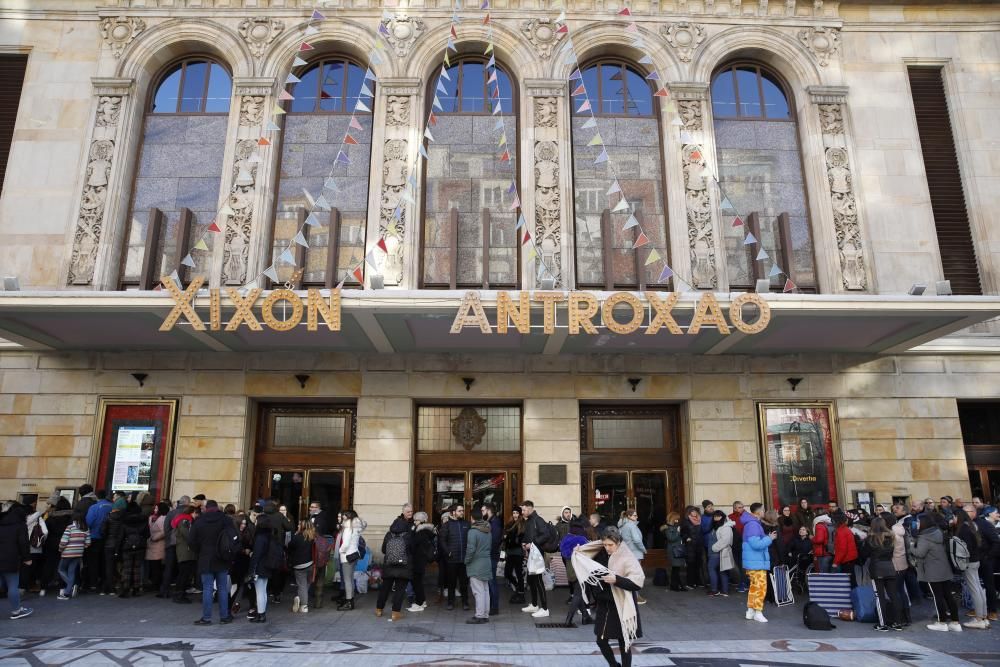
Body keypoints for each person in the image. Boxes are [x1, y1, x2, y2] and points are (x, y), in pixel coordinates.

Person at [571, 528, 644, 667]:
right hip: (604, 603)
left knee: (624, 642)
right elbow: (585, 558)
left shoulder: (627, 557)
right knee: (601, 640)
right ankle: (614, 665)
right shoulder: (600, 551)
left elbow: (637, 582)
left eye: (610, 545)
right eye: (605, 544)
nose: (607, 548)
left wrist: (617, 579)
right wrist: (578, 550)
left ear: (618, 542)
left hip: (621, 605)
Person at [188, 499, 235, 625]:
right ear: (217, 508)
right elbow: (234, 537)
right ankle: (224, 616)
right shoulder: (226, 520)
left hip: (206, 558)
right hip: (222, 557)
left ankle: (206, 618)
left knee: (208, 588)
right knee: (223, 588)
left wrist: (200, 551)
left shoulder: (199, 521)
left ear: (206, 508)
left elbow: (191, 541)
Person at [911, 514, 961, 631]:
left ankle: (942, 622)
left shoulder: (924, 537)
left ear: (923, 523)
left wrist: (911, 546)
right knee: (948, 595)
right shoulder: (937, 532)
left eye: (918, 522)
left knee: (937, 596)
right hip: (944, 568)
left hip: (932, 571)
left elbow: (919, 553)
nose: (917, 524)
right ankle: (955, 622)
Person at [861, 517, 903, 631]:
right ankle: (898, 622)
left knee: (880, 597)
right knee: (893, 595)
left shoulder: (871, 539)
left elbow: (864, 554)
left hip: (876, 568)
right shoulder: (891, 537)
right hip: (890, 566)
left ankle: (883, 623)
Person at [955, 505, 990, 629]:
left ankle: (979, 618)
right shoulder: (972, 526)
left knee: (975, 589)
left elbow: (966, 547)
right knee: (979, 588)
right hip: (976, 560)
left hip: (969, 562)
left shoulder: (963, 528)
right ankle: (983, 617)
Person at [249, 502, 282, 623]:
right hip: (268, 566)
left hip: (260, 566)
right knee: (263, 591)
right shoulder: (271, 535)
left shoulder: (260, 537)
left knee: (259, 591)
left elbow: (256, 555)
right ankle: (262, 613)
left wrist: (251, 569)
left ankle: (261, 614)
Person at [741, 502, 774, 623]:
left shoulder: (751, 524)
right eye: (763, 509)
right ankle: (758, 612)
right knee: (760, 587)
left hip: (753, 561)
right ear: (759, 511)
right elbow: (756, 544)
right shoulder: (753, 524)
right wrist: (769, 538)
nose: (764, 512)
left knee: (754, 587)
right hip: (756, 561)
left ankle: (750, 611)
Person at [377, 511, 413, 621]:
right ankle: (395, 613)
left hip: (389, 566)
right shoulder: (408, 535)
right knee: (400, 590)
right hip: (403, 567)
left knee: (385, 589)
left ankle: (379, 609)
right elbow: (412, 551)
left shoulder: (388, 535)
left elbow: (383, 550)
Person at [1, 501, 33, 619]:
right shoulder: (20, 525)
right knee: (12, 585)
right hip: (10, 558)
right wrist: (27, 558)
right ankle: (16, 610)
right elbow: (23, 543)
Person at [520, 500, 550, 617]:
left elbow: (545, 535)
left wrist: (531, 544)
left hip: (537, 555)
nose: (522, 512)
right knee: (532, 580)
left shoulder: (538, 520)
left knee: (538, 580)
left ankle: (545, 608)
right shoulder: (530, 521)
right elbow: (528, 536)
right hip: (531, 554)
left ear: (530, 508)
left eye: (523, 509)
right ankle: (534, 604)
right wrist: (524, 544)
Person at [160, 495, 191, 599]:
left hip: (171, 544)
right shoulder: (188, 514)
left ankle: (164, 590)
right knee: (182, 569)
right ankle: (180, 591)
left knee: (168, 568)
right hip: (183, 545)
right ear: (187, 503)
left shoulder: (171, 513)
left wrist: (169, 539)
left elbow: (166, 528)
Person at [41, 497, 72, 596]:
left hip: (51, 544)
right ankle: (62, 588)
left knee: (48, 565)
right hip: (65, 544)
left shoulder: (51, 517)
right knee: (63, 567)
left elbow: (45, 531)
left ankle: (43, 588)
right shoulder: (70, 518)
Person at [465, 511, 493, 624]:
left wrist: (466, 561)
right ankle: (485, 614)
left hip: (476, 563)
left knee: (478, 591)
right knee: (485, 589)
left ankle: (479, 615)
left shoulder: (473, 532)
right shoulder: (488, 530)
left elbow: (471, 549)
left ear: (472, 519)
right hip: (486, 561)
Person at [441, 504, 470, 611]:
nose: (462, 512)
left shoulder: (467, 524)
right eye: (459, 511)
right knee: (451, 583)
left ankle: (465, 602)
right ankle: (450, 602)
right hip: (452, 559)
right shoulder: (446, 525)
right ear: (453, 512)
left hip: (464, 559)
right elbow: (442, 541)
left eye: (462, 511)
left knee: (464, 583)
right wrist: (448, 552)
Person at [118, 501, 149, 598]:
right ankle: (136, 589)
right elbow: (148, 534)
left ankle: (125, 589)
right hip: (140, 546)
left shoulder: (124, 520)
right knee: (137, 568)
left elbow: (120, 536)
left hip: (127, 546)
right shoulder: (143, 520)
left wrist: (117, 548)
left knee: (127, 568)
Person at [56, 511, 90, 600]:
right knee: (71, 572)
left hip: (67, 553)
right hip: (78, 553)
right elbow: (88, 543)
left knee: (61, 569)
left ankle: (70, 586)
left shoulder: (70, 527)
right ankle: (67, 593)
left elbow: (63, 541)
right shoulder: (86, 529)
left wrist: (60, 549)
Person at [84, 490, 112, 593]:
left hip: (94, 537)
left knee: (93, 561)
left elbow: (89, 522)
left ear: (96, 497)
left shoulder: (94, 507)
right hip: (108, 538)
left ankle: (93, 583)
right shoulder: (112, 506)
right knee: (105, 561)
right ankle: (104, 581)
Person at [336, 509, 365, 611]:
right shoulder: (356, 527)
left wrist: (340, 550)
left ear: (348, 517)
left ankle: (349, 602)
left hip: (347, 555)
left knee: (347, 580)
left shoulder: (348, 527)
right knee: (350, 578)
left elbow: (346, 543)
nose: (343, 517)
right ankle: (350, 600)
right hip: (354, 555)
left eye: (344, 515)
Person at [974, 505, 999, 622]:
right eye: (996, 512)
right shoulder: (982, 524)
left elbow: (996, 542)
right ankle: (983, 609)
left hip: (987, 559)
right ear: (989, 514)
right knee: (982, 585)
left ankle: (992, 610)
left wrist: (989, 555)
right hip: (982, 559)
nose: (998, 514)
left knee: (989, 585)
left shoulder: (986, 524)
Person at [408, 511, 435, 613]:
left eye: (417, 520)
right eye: (414, 520)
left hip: (418, 560)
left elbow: (412, 546)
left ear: (422, 521)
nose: (415, 522)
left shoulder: (420, 532)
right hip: (421, 560)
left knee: (416, 582)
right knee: (418, 582)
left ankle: (419, 603)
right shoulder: (427, 531)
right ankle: (422, 601)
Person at [617, 509, 647, 603]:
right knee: (635, 575)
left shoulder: (622, 526)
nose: (636, 517)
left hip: (627, 552)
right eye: (634, 515)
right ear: (629, 516)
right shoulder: (631, 526)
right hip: (635, 553)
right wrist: (643, 549)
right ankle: (636, 596)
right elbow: (637, 540)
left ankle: (628, 596)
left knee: (628, 575)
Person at [287, 519, 315, 615]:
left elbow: (289, 547)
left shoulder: (297, 537)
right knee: (307, 584)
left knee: (302, 585)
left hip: (299, 565)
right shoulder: (313, 537)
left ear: (301, 526)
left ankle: (304, 606)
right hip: (311, 564)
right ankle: (300, 597)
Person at [172, 504, 198, 604]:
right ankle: (179, 595)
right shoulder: (185, 521)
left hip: (186, 551)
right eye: (195, 513)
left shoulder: (186, 520)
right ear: (191, 512)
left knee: (184, 573)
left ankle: (180, 594)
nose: (196, 515)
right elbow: (187, 535)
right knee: (183, 574)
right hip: (185, 551)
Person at [102, 492, 127, 595]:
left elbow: (103, 531)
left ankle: (108, 588)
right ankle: (117, 585)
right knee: (119, 566)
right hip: (119, 545)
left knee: (108, 566)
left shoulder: (109, 517)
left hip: (109, 543)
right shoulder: (123, 519)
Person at [709, 510, 736, 598]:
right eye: (715, 516)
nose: (716, 518)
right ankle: (724, 590)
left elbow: (725, 541)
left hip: (719, 552)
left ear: (723, 517)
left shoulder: (726, 527)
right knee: (723, 571)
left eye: (718, 516)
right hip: (718, 552)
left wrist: (714, 548)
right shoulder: (718, 526)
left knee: (712, 569)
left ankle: (715, 590)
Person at [483, 503, 503, 616]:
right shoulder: (490, 521)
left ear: (488, 510)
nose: (482, 512)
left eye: (483, 510)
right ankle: (491, 605)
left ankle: (494, 607)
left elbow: (494, 541)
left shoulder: (495, 522)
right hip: (488, 555)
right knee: (490, 581)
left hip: (491, 556)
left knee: (492, 582)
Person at [145, 502, 168, 594]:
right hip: (152, 545)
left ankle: (156, 585)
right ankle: (154, 584)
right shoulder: (152, 518)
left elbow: (164, 531)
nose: (155, 510)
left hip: (159, 544)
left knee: (156, 566)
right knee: (153, 566)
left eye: (156, 508)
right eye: (154, 508)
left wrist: (155, 537)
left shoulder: (163, 518)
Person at [503, 507, 525, 603]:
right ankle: (517, 587)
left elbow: (519, 539)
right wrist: (507, 538)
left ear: (519, 514)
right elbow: (506, 538)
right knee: (507, 573)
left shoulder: (522, 524)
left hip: (518, 552)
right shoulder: (509, 524)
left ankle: (521, 592)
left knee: (519, 573)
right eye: (513, 513)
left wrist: (509, 537)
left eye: (516, 513)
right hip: (510, 552)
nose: (515, 515)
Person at [681, 506, 704, 589]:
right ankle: (690, 583)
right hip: (690, 546)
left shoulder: (700, 520)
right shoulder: (686, 521)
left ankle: (697, 582)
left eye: (696, 511)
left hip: (699, 545)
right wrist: (686, 538)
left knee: (698, 564)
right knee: (691, 564)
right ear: (689, 513)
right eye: (693, 511)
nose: (695, 513)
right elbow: (682, 533)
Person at [831, 511, 858, 577]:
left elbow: (842, 549)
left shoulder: (841, 532)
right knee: (851, 579)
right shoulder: (844, 529)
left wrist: (835, 562)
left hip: (846, 559)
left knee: (849, 580)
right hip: (850, 558)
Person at [663, 512, 685, 591]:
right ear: (673, 519)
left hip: (678, 549)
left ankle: (678, 585)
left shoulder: (675, 526)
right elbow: (671, 538)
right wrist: (678, 532)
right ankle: (674, 585)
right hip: (673, 550)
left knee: (676, 569)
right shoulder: (668, 528)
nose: (678, 520)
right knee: (675, 569)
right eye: (676, 519)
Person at [728, 501, 747, 592]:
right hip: (735, 544)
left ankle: (743, 584)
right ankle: (743, 583)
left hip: (745, 543)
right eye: (739, 507)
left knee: (743, 565)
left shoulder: (747, 516)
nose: (741, 509)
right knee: (739, 565)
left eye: (742, 507)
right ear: (734, 508)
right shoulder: (730, 517)